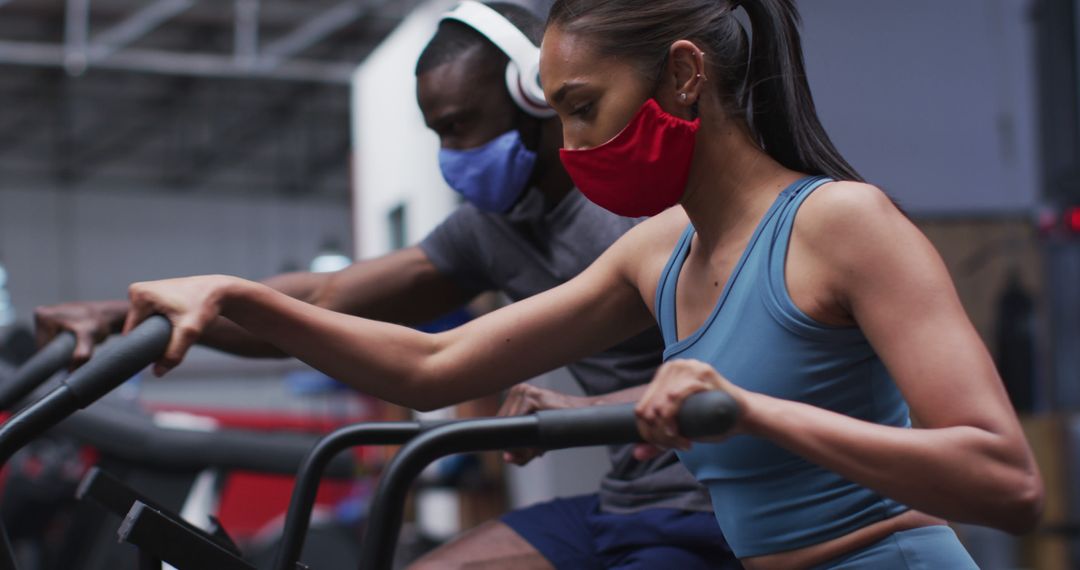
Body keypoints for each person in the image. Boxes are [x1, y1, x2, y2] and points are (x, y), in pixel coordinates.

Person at [114, 0, 1044, 567]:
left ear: (685, 77)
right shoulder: (661, 249)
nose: (567, 146)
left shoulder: (842, 223)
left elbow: (1007, 479)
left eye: (582, 108)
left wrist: (751, 411)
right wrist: (240, 298)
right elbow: (436, 364)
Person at [35, 3, 738, 569]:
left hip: (725, 512)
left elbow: (753, 374)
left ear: (534, 97)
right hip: (626, 500)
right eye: (437, 134)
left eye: (463, 127)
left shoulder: (649, 212)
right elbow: (321, 303)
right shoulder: (491, 230)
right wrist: (130, 312)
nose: (453, 157)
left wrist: (573, 411)